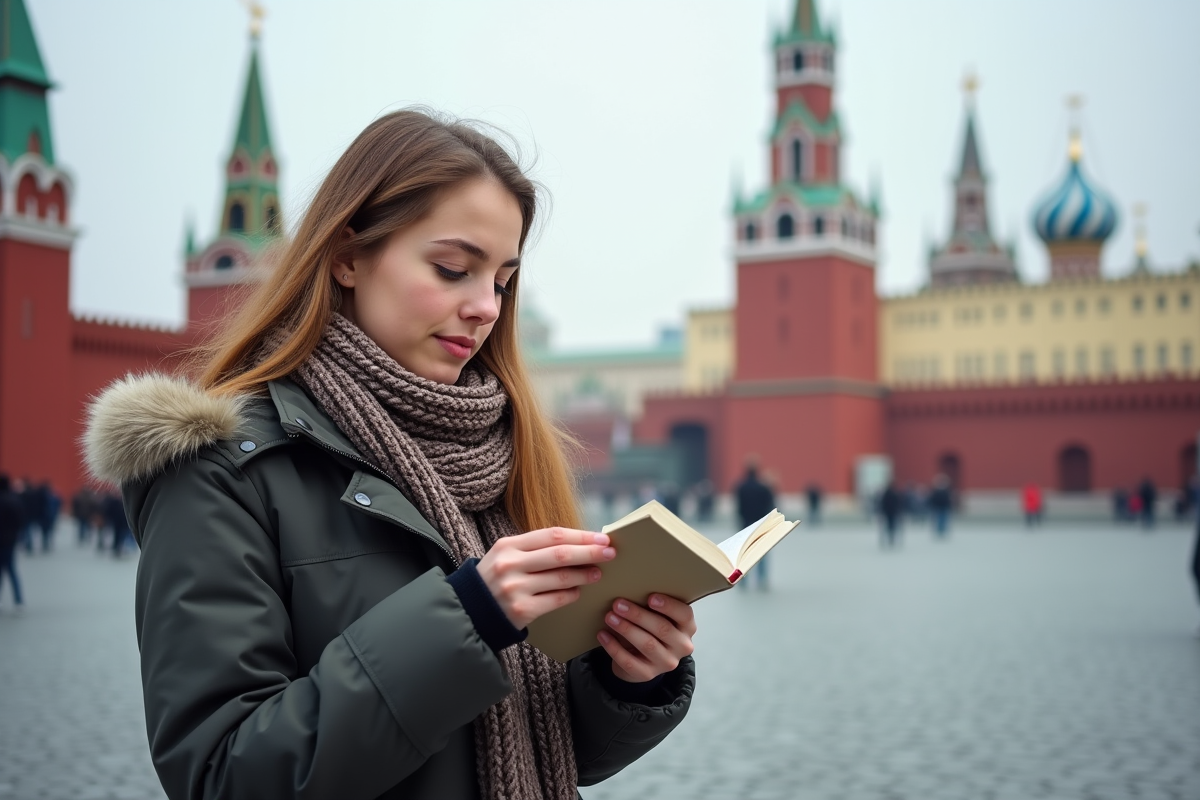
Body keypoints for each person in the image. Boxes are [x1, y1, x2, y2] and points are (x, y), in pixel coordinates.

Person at [83, 110, 696, 800]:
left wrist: (630, 678)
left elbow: (544, 746)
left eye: (500, 280)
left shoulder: (500, 451)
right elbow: (223, 775)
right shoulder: (223, 469)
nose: (486, 307)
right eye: (452, 268)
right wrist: (464, 621)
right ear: (347, 254)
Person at [735, 460, 775, 589]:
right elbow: (770, 505)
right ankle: (761, 579)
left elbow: (739, 506)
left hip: (745, 524)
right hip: (760, 524)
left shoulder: (741, 487)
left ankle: (742, 578)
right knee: (761, 552)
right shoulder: (763, 487)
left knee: (744, 553)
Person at [0, 473, 24, 610]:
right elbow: (20, 521)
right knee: (11, 570)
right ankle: (18, 601)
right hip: (10, 541)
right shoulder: (13, 500)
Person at [878, 482, 903, 548]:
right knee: (892, 526)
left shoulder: (886, 494)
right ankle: (891, 537)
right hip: (893, 513)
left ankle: (889, 538)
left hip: (887, 513)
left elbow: (883, 504)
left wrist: (882, 512)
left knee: (888, 526)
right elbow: (898, 504)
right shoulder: (895, 494)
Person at [928, 473, 952, 538]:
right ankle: (938, 531)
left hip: (944, 507)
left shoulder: (946, 490)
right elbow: (933, 499)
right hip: (938, 507)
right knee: (938, 520)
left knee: (944, 519)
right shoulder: (936, 490)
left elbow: (948, 499)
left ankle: (942, 531)